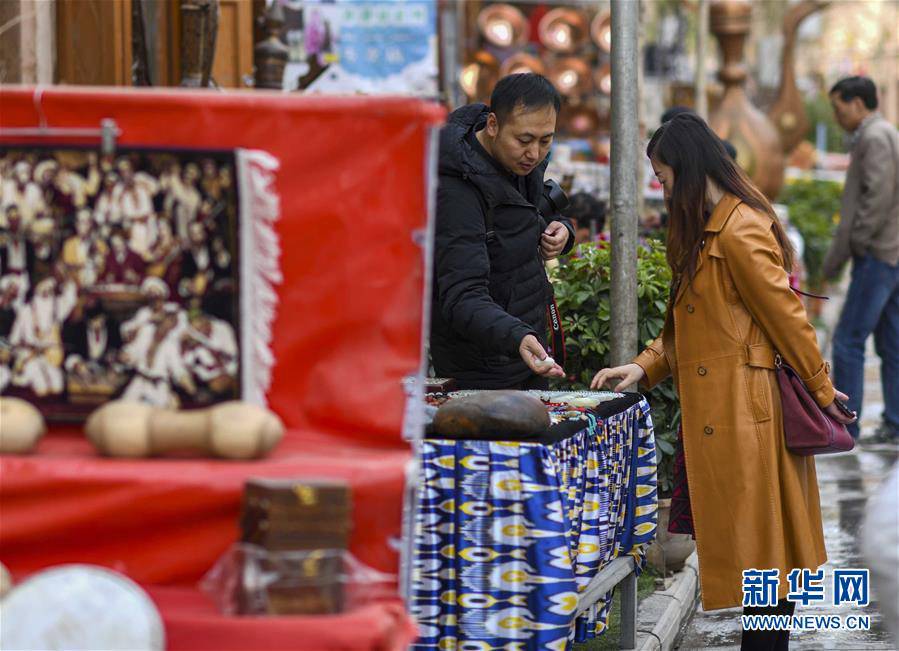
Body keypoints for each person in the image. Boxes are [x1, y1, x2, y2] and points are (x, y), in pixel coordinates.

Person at [590, 113, 855, 650]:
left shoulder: (739, 228)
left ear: (686, 171)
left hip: (750, 415)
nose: (662, 192)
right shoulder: (708, 229)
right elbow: (690, 326)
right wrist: (642, 366)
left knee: (768, 559)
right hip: (727, 414)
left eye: (664, 179)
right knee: (765, 558)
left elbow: (789, 321)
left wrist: (825, 393)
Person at [430, 73, 574, 389]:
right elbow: (462, 296)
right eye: (523, 140)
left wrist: (562, 231)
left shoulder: (521, 165)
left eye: (545, 140)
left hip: (527, 350)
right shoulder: (456, 190)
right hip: (480, 369)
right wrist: (517, 336)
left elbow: (535, 215)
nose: (534, 154)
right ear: (492, 125)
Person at [821, 76, 899, 443]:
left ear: (856, 104)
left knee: (848, 340)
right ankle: (894, 424)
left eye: (838, 109)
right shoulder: (882, 133)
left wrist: (859, 244)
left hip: (879, 255)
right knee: (891, 342)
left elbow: (877, 198)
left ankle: (847, 426)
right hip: (889, 253)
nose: (837, 117)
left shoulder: (874, 136)